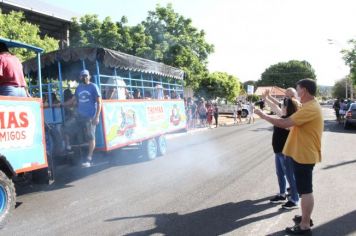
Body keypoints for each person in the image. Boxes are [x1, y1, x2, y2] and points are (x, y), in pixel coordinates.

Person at [255, 79, 323, 235]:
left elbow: (285, 123)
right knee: (302, 189)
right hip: (302, 154)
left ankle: (305, 225)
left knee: (305, 191)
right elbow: (288, 120)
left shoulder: (310, 108)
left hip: (305, 154)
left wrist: (263, 115)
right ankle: (305, 217)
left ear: (304, 90)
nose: (296, 93)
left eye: (297, 90)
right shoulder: (308, 106)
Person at [65, 69, 102, 167]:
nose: (84, 77)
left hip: (90, 116)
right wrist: (61, 104)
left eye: (86, 76)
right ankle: (69, 147)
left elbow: (99, 102)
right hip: (79, 116)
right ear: (80, 77)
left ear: (89, 77)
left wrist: (97, 117)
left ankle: (89, 159)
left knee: (90, 136)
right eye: (82, 76)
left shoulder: (93, 86)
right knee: (66, 127)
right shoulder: (79, 88)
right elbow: (73, 100)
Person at [269, 97, 300, 210]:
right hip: (278, 152)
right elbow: (274, 107)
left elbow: (290, 128)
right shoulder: (283, 117)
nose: (281, 107)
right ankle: (282, 194)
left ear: (287, 108)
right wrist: (266, 98)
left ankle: (295, 200)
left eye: (282, 105)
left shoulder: (291, 120)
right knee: (280, 174)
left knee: (290, 176)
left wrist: (263, 116)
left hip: (286, 153)